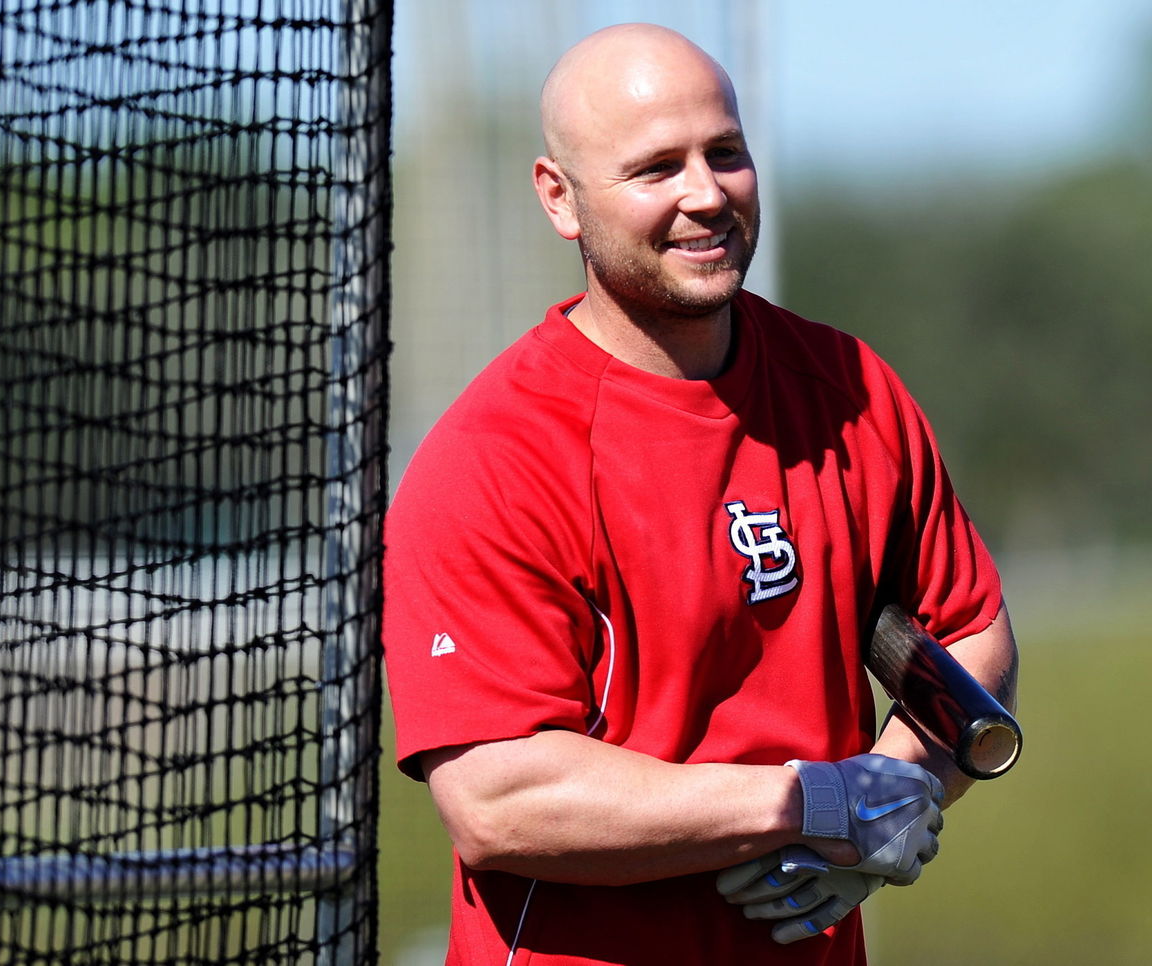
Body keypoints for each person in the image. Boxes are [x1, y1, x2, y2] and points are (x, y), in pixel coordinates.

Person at [382, 22, 1018, 966]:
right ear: (561, 200)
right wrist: (811, 802)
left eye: (725, 154)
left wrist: (893, 785)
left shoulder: (850, 388)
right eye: (655, 169)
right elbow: (498, 798)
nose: (705, 195)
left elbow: (969, 634)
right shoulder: (492, 460)